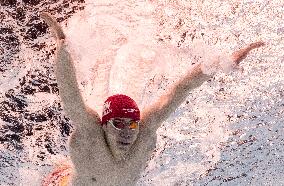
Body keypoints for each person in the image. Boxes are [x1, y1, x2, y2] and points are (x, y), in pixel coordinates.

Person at [40, 12, 264, 186]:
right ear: (104, 125)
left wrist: (221, 63)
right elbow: (70, 95)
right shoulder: (91, 136)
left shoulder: (145, 134)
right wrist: (62, 47)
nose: (128, 133)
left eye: (133, 124)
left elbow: (180, 90)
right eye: (118, 124)